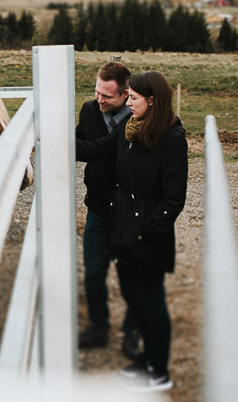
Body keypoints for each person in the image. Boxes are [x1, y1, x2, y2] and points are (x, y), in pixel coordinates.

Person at [75, 70, 188, 393]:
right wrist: (49, 140)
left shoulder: (171, 139)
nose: (129, 104)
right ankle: (144, 363)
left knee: (151, 303)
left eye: (134, 99)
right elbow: (96, 150)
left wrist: (147, 230)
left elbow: (173, 198)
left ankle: (159, 371)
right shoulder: (130, 128)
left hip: (147, 238)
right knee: (134, 298)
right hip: (124, 232)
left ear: (151, 101)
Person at [75, 61, 140, 359]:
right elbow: (79, 140)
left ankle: (132, 331)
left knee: (132, 274)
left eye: (107, 96)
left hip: (130, 212)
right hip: (98, 207)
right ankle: (99, 326)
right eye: (97, 92)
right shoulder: (90, 111)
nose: (99, 100)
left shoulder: (140, 119)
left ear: (126, 94)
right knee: (94, 272)